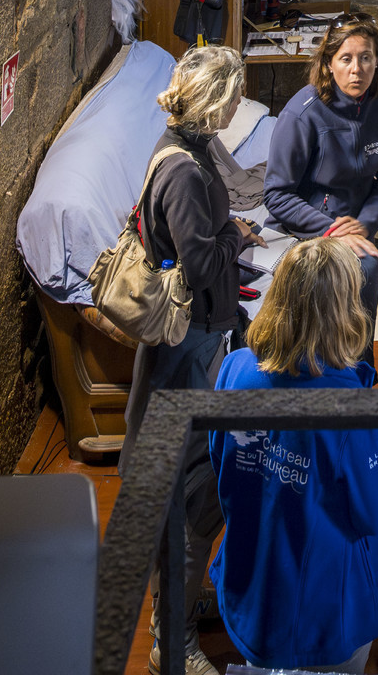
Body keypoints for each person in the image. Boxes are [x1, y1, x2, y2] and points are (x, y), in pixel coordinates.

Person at [208, 235, 378, 674]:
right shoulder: (345, 408)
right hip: (321, 608)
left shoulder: (235, 367)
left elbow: (221, 462)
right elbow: (376, 512)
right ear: (345, 310)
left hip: (251, 580)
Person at [119, 44, 254, 675]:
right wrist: (233, 236)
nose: (237, 107)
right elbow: (199, 264)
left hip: (199, 339)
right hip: (186, 349)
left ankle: (178, 603)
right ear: (214, 100)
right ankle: (171, 641)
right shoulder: (182, 170)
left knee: (199, 486)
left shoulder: (190, 150)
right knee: (189, 488)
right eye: (234, 97)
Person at [263, 13, 378, 327]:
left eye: (366, 58)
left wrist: (364, 224)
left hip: (355, 225)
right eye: (346, 59)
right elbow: (277, 195)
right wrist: (331, 232)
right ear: (329, 63)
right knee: (363, 269)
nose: (357, 70)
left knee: (368, 269)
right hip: (303, 229)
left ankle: (361, 364)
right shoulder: (302, 114)